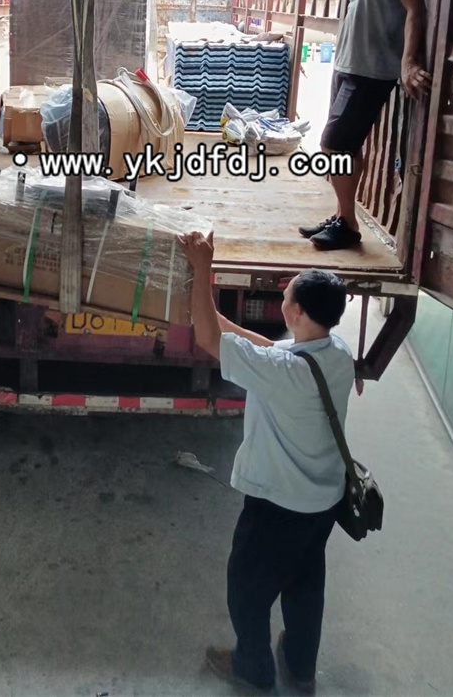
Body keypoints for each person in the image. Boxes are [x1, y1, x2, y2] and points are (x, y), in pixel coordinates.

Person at [179, 230, 354, 696]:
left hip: (279, 506)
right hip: (322, 501)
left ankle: (253, 669)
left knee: (247, 590)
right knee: (304, 587)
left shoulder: (285, 374)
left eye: (287, 294)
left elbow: (208, 340)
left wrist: (202, 268)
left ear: (298, 313)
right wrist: (210, 311)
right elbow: (264, 347)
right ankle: (300, 667)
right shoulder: (335, 353)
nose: (283, 295)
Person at [301, 0, 432, 251]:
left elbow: (415, 12)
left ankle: (348, 224)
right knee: (348, 148)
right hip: (348, 65)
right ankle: (342, 217)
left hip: (370, 71)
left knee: (332, 146)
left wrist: (408, 63)